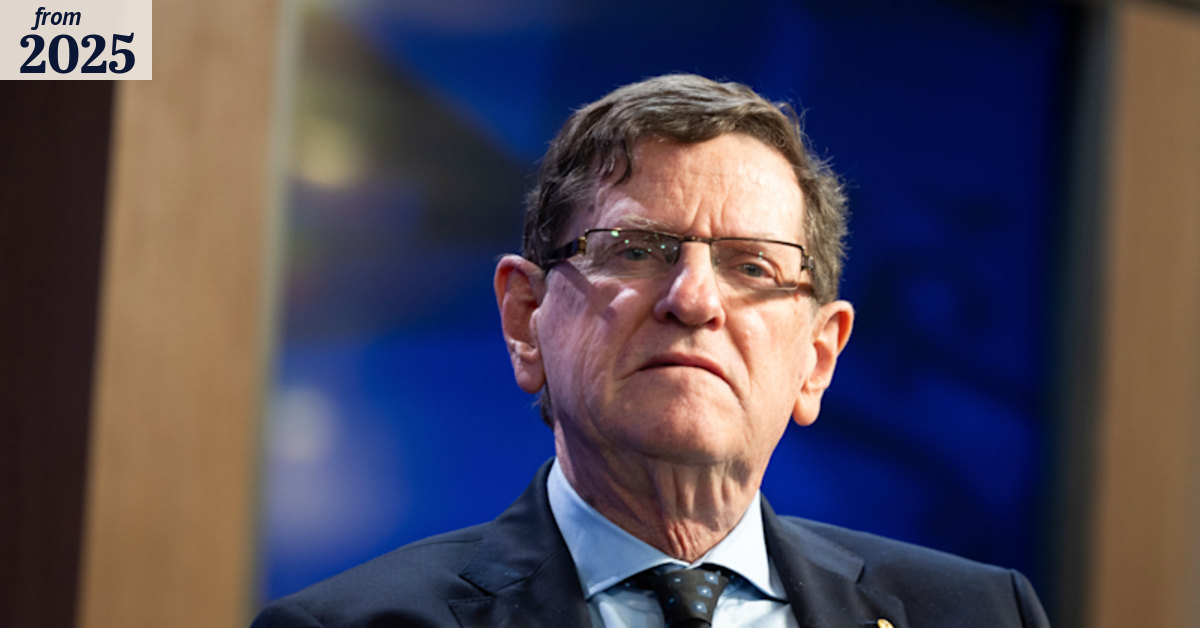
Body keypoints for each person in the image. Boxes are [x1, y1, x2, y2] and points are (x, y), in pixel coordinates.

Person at [252, 74, 1050, 627]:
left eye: (752, 267)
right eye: (636, 250)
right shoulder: (349, 626)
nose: (694, 300)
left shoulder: (981, 615)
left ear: (817, 358)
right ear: (526, 317)